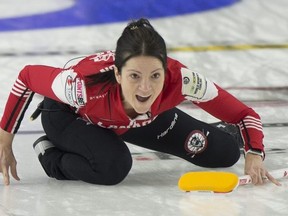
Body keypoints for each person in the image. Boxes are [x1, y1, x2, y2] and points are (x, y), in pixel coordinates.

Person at [0, 18, 280, 186]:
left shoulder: (182, 79)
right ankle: (51, 156)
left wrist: (255, 152)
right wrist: (4, 140)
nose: (145, 88)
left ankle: (222, 135)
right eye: (134, 76)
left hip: (134, 120)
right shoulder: (80, 85)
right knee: (112, 166)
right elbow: (26, 77)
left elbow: (244, 114)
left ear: (166, 71)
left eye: (155, 76)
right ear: (118, 74)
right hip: (70, 116)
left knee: (226, 153)